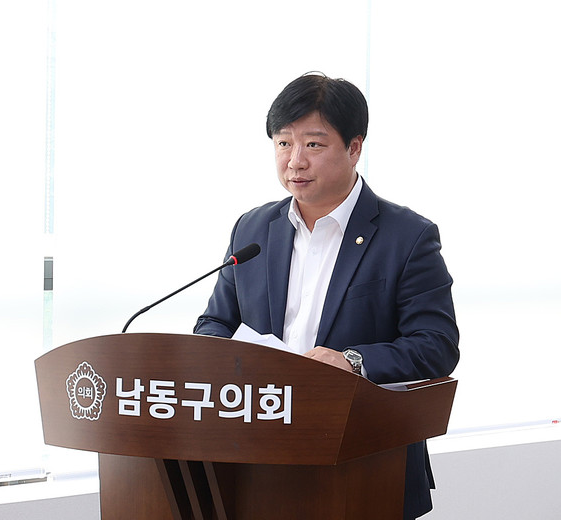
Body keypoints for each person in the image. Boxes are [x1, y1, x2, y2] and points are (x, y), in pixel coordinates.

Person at [194, 72, 459, 519]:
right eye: (283, 143)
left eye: (313, 144)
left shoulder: (407, 236)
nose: (295, 161)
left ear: (354, 147)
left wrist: (352, 362)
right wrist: (231, 364)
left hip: (366, 466)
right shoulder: (252, 228)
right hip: (258, 462)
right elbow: (214, 324)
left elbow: (437, 345)